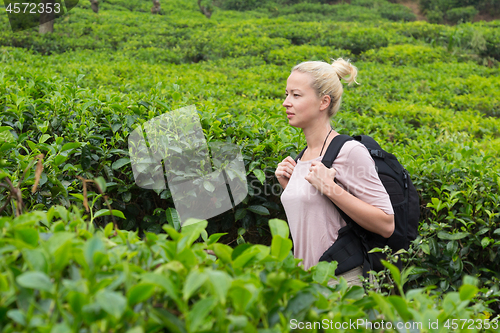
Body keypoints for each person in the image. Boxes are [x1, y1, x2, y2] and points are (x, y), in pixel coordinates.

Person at [275, 58, 395, 287]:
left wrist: (330, 188)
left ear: (324, 102)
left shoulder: (350, 151)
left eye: (296, 95)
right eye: (286, 94)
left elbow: (386, 224)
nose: (285, 103)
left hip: (343, 284)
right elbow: (318, 220)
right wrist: (289, 185)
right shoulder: (302, 158)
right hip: (308, 286)